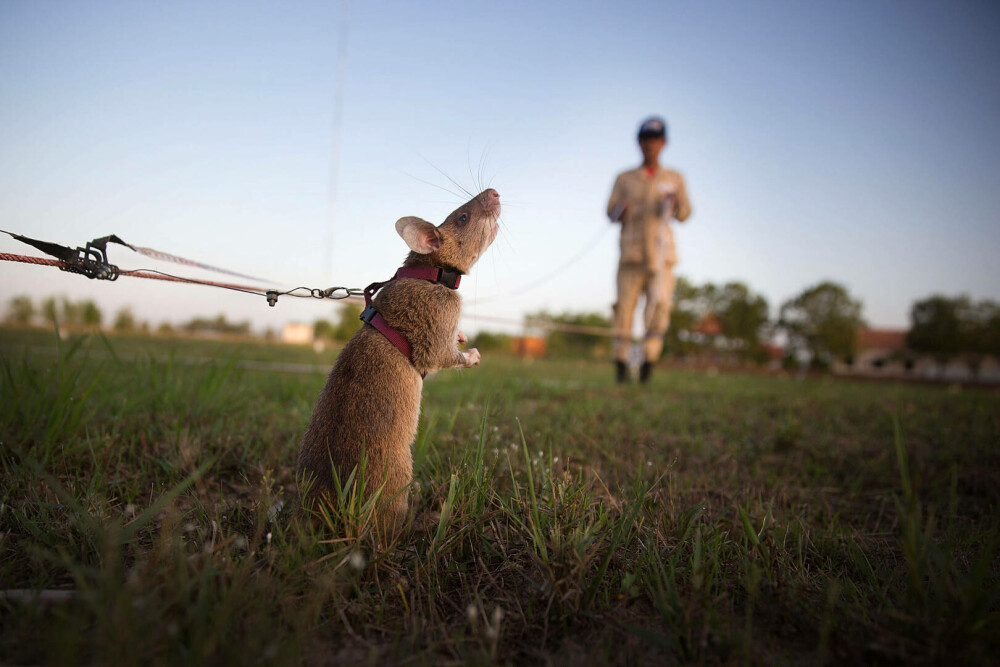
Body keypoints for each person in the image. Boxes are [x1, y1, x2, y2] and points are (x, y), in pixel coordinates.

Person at [606, 116, 692, 383]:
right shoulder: (624, 178)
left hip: (662, 256)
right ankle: (621, 366)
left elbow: (685, 213)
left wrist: (676, 202)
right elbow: (610, 212)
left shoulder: (675, 178)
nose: (650, 145)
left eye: (655, 140)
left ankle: (648, 364)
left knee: (659, 308)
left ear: (663, 143)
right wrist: (622, 210)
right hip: (631, 256)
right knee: (624, 310)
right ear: (639, 143)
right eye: (645, 140)